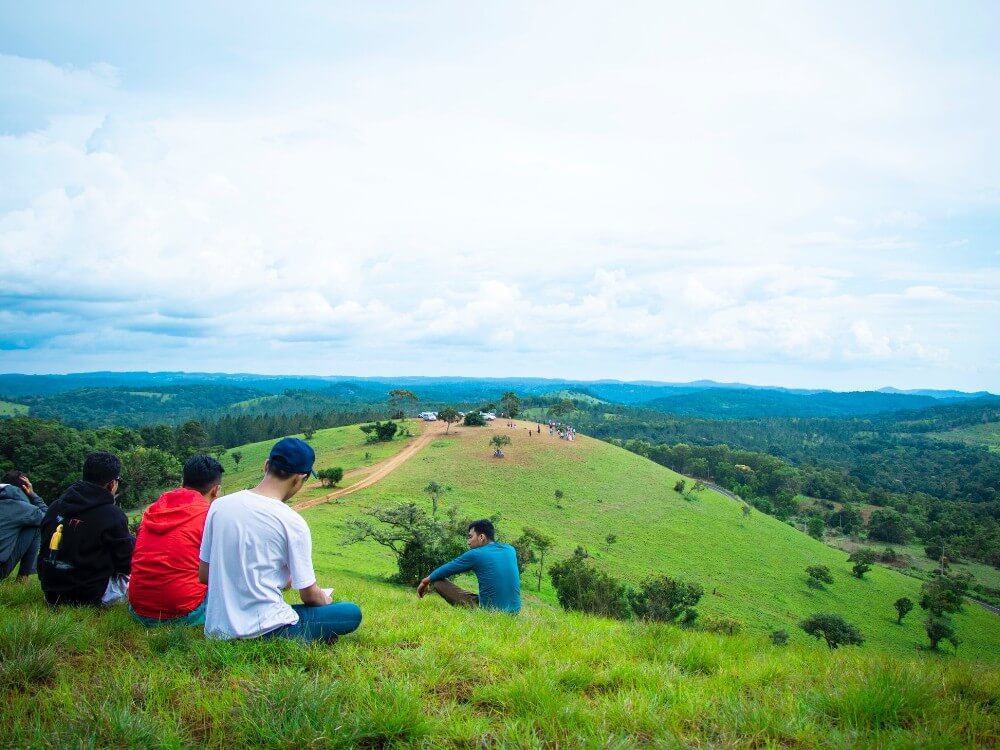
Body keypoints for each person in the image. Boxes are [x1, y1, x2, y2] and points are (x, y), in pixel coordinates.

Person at [198, 437, 362, 642]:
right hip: (269, 630)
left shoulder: (219, 506)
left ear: (266, 465)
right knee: (350, 612)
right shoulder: (292, 522)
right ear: (299, 478)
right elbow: (309, 596)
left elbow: (204, 575)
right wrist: (325, 599)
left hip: (217, 630)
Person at [128, 455, 224, 627]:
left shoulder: (154, 509)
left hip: (138, 609)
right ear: (216, 490)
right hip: (184, 613)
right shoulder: (209, 516)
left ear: (183, 482)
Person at [37, 452, 134, 606]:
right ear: (112, 483)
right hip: (90, 595)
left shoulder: (55, 507)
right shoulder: (112, 514)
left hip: (51, 592)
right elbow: (127, 564)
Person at [417, 519, 521, 613]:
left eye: (470, 537)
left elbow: (446, 570)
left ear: (481, 537)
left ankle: (480, 608)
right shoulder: (510, 550)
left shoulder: (476, 554)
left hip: (489, 612)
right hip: (514, 613)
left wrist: (424, 581)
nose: (468, 542)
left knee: (437, 581)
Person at [0, 471, 47, 583]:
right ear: (24, 487)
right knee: (34, 526)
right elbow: (48, 518)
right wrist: (33, 494)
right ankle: (23, 578)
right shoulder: (24, 509)